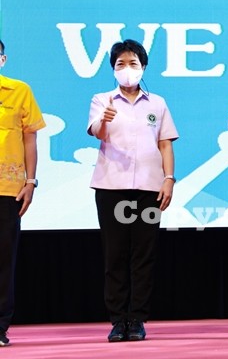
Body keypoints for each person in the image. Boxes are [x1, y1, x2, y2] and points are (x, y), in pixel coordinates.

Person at [87, 39, 178, 342]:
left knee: (144, 254)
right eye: (120, 64)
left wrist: (169, 179)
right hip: (111, 187)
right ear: (113, 69)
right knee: (115, 255)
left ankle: (137, 319)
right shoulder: (102, 100)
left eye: (133, 64)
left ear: (143, 67)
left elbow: (165, 143)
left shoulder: (158, 103)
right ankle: (117, 320)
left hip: (149, 188)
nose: (127, 70)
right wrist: (104, 120)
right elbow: (98, 133)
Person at [0, 39, 46, 347]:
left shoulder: (19, 91)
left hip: (8, 188)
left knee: (3, 260)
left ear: (2, 59)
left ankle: (0, 325)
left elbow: (30, 139)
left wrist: (31, 181)